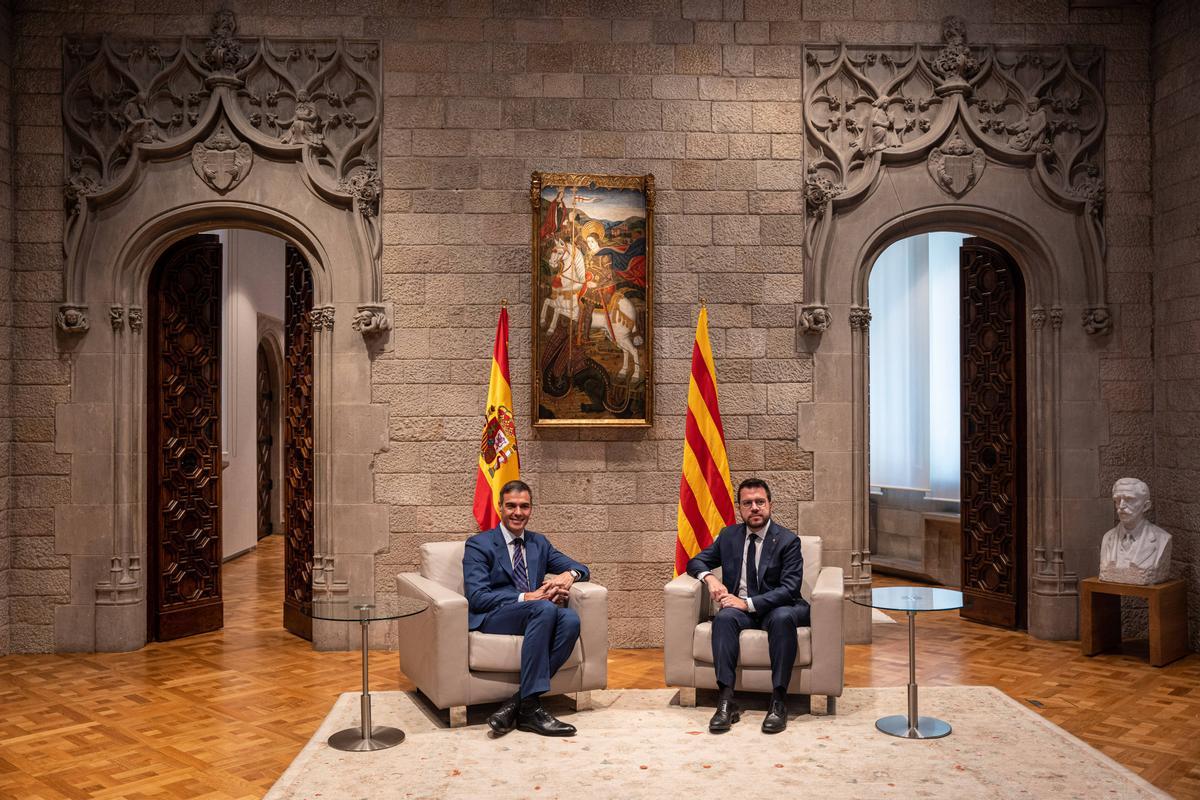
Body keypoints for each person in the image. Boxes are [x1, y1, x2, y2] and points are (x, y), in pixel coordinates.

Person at [463, 479, 589, 737]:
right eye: (511, 506)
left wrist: (570, 575)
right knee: (545, 608)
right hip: (494, 616)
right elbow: (477, 597)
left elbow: (581, 567)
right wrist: (526, 597)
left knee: (570, 620)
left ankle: (520, 704)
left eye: (524, 506)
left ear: (531, 509)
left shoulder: (538, 543)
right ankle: (530, 709)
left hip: (535, 614)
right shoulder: (479, 544)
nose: (518, 512)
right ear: (500, 507)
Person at [687, 478, 809, 734]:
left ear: (770, 505)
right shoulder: (729, 536)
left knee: (782, 617)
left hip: (776, 606)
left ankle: (778, 701)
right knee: (723, 618)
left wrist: (747, 603)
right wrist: (709, 579)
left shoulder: (788, 541)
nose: (754, 508)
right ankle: (726, 701)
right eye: (747, 503)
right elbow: (696, 562)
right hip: (740, 609)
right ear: (740, 508)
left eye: (760, 502)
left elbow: (790, 589)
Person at [1099, 477, 1172, 585]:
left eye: (1129, 500)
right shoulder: (1107, 537)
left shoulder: (1162, 539)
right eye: (1117, 500)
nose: (1121, 506)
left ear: (1146, 506)